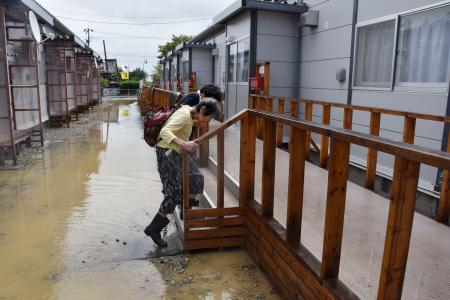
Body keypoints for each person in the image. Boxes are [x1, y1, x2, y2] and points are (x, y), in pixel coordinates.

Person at [144, 98, 221, 247]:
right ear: (203, 110)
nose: (206, 124)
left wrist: (188, 143)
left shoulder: (190, 114)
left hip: (177, 152)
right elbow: (165, 131)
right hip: (166, 152)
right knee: (173, 193)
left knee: (196, 178)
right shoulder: (185, 115)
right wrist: (184, 144)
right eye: (207, 119)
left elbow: (181, 133)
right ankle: (154, 228)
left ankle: (187, 213)